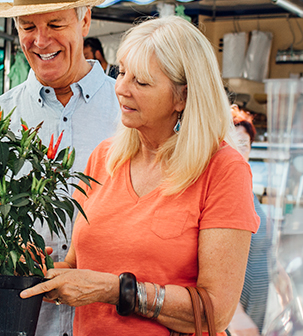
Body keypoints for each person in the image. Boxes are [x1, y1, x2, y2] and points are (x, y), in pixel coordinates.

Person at [19, 16, 259, 335]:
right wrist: (13, 274)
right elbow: (77, 268)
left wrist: (117, 291)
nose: (121, 89)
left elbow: (215, 313)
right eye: (121, 72)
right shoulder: (104, 158)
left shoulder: (223, 169)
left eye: (141, 82)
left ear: (183, 97)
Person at [0, 0, 120, 335]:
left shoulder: (129, 112)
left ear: (84, 20)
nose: (41, 41)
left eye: (56, 25)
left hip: (109, 323)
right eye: (28, 27)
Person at [228, 105, 270, 336]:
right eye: (234, 144)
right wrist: (236, 317)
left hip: (256, 305)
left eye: (244, 144)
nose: (239, 150)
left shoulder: (246, 186)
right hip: (236, 317)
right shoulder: (227, 191)